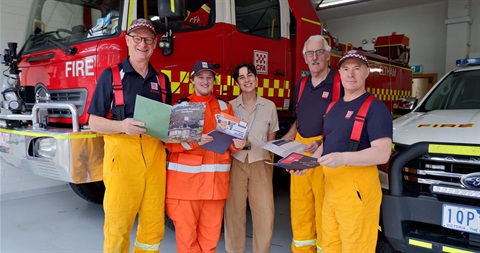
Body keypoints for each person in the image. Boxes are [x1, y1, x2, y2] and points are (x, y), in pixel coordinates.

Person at [87, 18, 172, 252]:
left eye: (148, 39)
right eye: (137, 38)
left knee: (153, 226)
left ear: (155, 44)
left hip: (155, 160)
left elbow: (168, 125)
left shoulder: (162, 81)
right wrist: (122, 126)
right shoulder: (111, 76)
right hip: (122, 160)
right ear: (127, 41)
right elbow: (93, 122)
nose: (142, 44)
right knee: (118, 224)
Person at [307, 50, 392, 252]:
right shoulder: (333, 108)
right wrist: (306, 164)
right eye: (346, 69)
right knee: (329, 246)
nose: (350, 74)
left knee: (356, 247)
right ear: (340, 74)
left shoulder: (375, 108)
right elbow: (327, 145)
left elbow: (382, 153)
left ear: (366, 73)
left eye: (356, 69)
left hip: (357, 194)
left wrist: (343, 158)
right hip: (332, 191)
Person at [165, 61, 246, 253]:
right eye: (200, 77)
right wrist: (195, 141)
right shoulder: (182, 107)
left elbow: (230, 144)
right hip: (185, 188)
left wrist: (238, 145)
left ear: (214, 81)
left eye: (209, 77)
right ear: (192, 80)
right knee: (187, 242)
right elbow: (170, 145)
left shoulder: (225, 107)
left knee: (210, 243)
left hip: (215, 189)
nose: (205, 80)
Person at [282, 35, 340, 253]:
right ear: (304, 58)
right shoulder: (302, 84)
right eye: (310, 54)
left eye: (319, 52)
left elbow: (345, 123)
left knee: (325, 209)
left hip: (326, 154)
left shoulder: (339, 82)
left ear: (327, 55)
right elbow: (299, 118)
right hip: (300, 152)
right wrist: (289, 135)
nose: (314, 57)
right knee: (300, 207)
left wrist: (321, 142)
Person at [224, 63, 279, 253]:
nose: (247, 80)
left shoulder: (269, 106)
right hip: (236, 162)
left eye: (250, 75)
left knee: (265, 215)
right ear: (236, 82)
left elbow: (271, 139)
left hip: (260, 163)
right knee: (233, 214)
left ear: (256, 78)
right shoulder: (230, 107)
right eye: (241, 77)